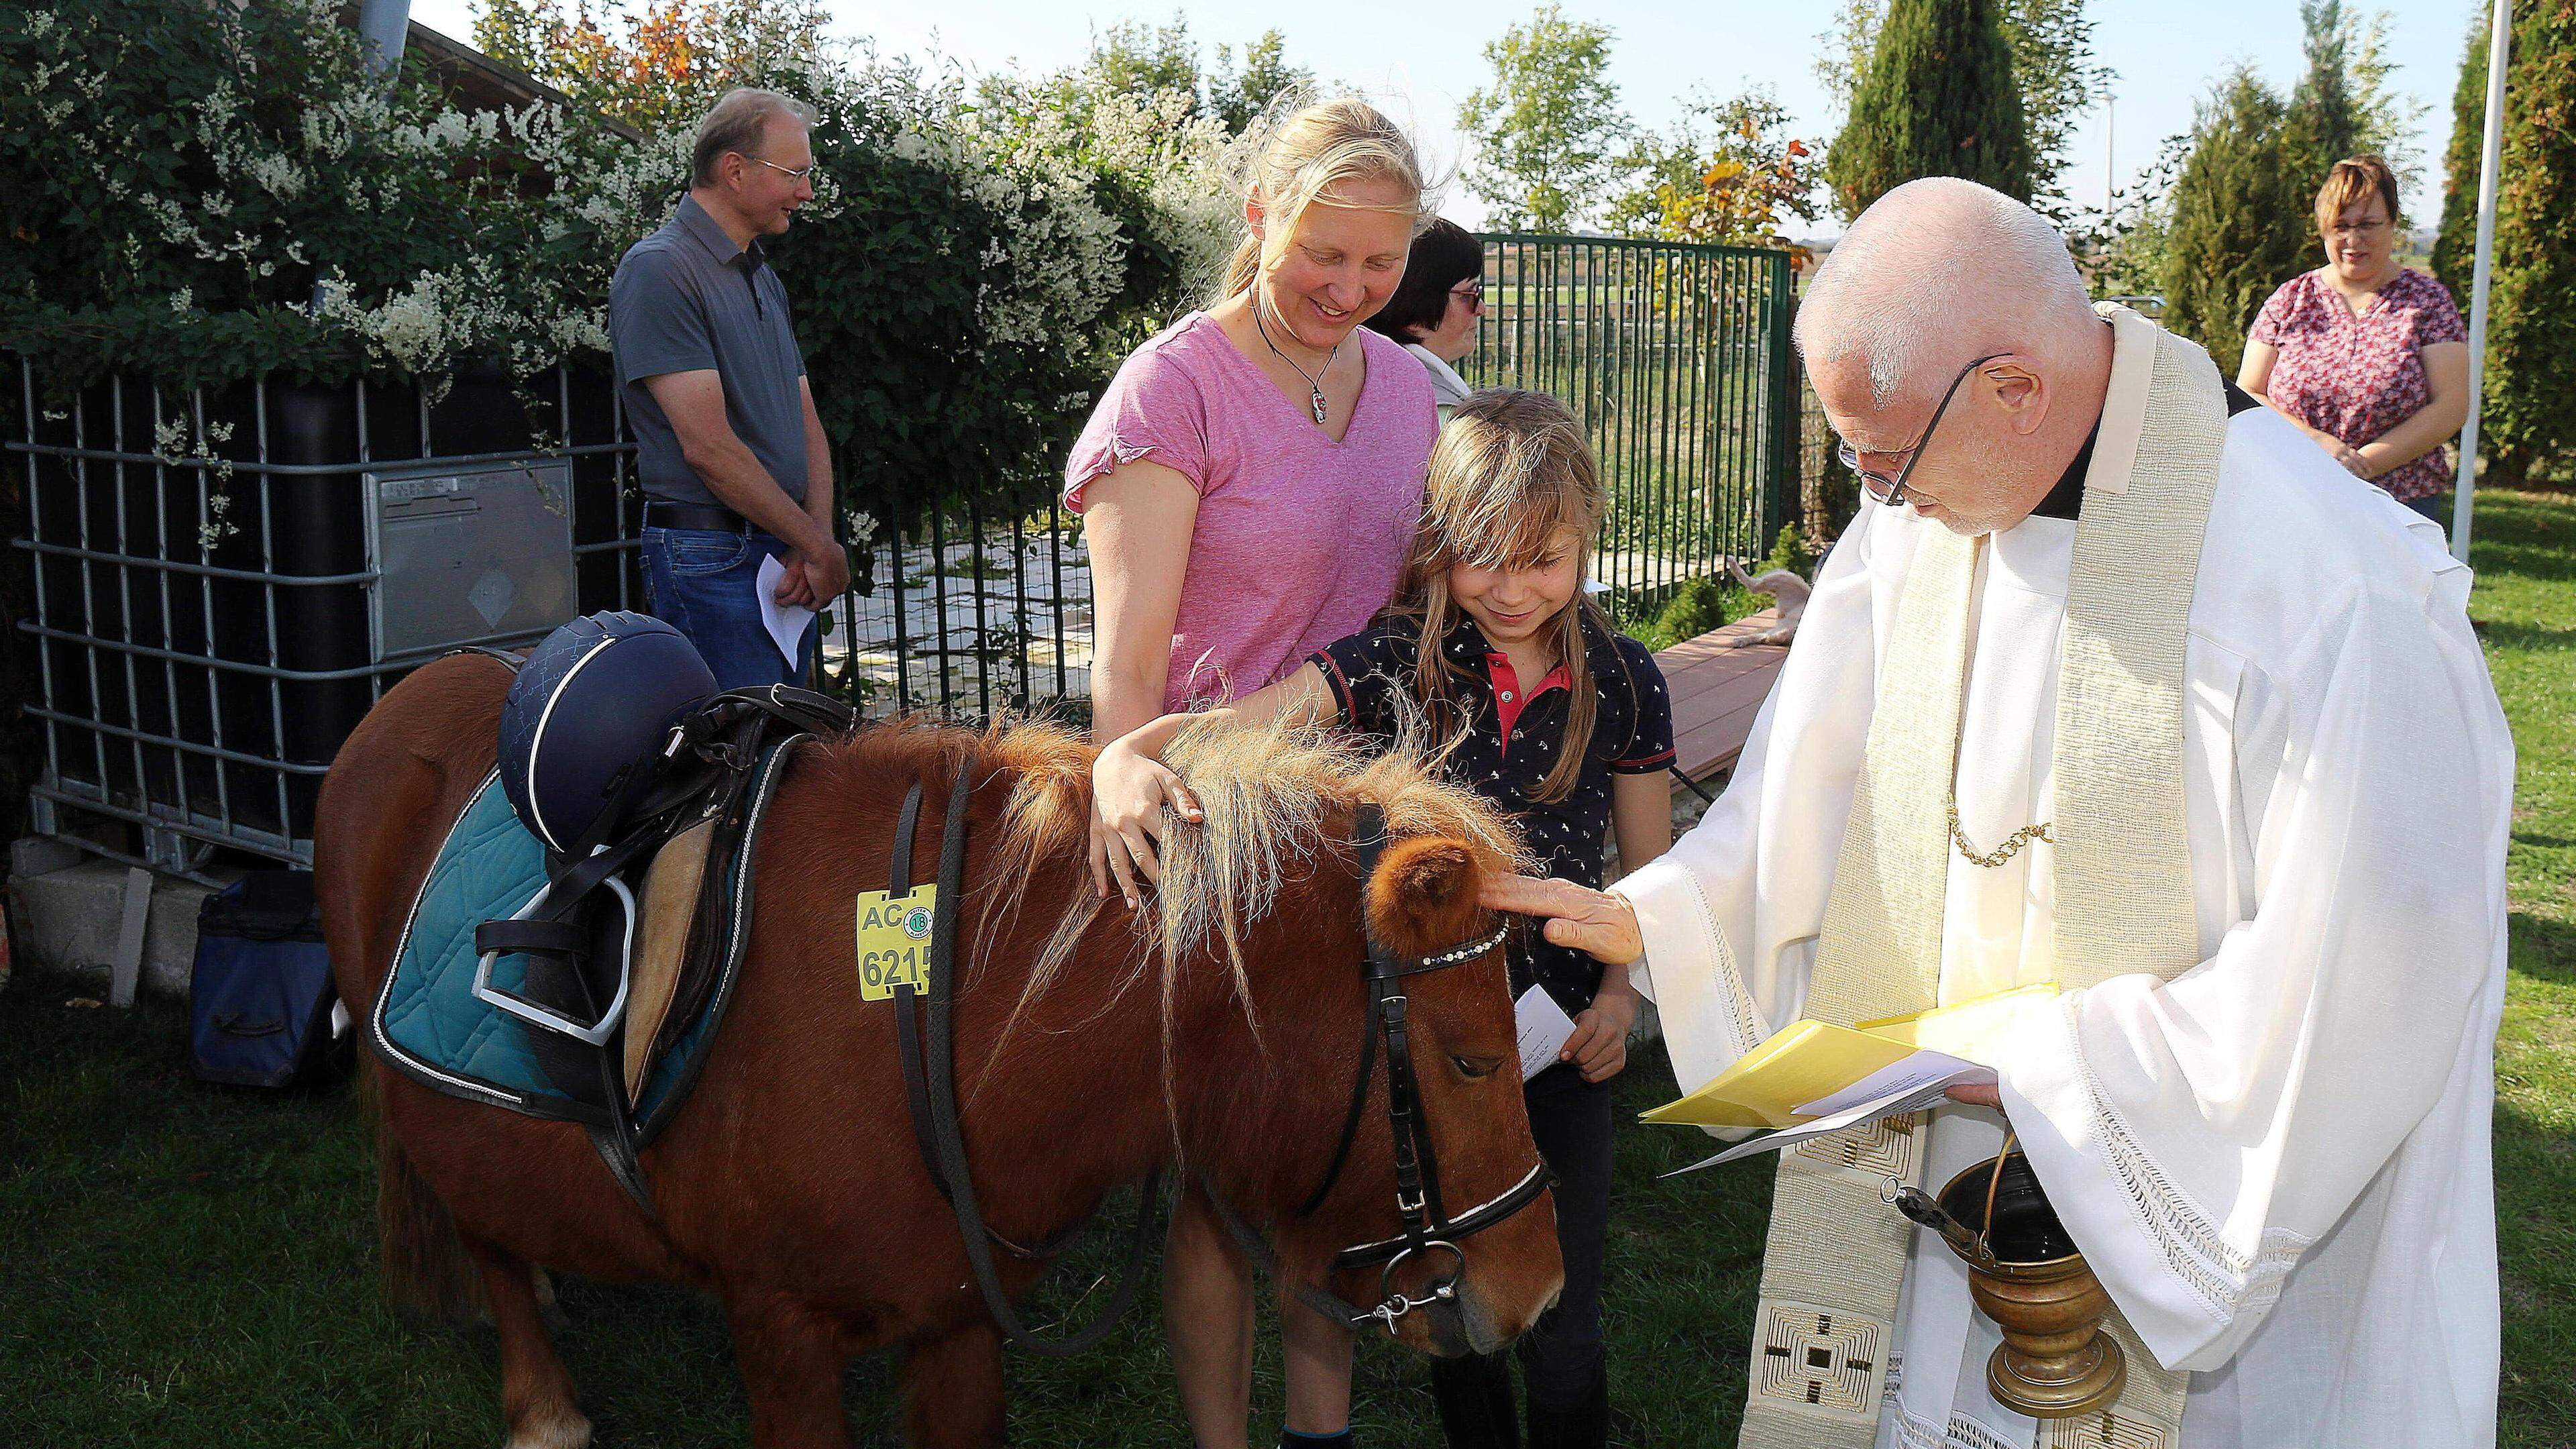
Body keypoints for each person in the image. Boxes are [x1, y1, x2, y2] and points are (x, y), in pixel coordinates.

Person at [1491, 177, 2509, 1449]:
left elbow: (2379, 972)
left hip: (2202, 1238)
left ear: (2015, 387)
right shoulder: (1924, 501)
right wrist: (1660, 915)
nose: (1880, 498)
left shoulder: (2327, 584)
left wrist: (2046, 1073)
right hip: (1954, 1186)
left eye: (1886, 457)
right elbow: (1816, 766)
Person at [1093, 388, 1673, 1449]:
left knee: (1565, 1332)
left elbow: (1650, 877)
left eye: (1544, 560)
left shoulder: (1627, 679)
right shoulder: (1388, 664)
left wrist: (1626, 993)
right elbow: (1236, 729)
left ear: (1587, 538)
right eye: (1483, 558)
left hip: (1562, 1044)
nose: (1512, 590)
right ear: (1439, 545)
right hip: (1424, 1059)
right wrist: (1130, 755)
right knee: (1454, 1306)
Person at [1063, 95, 1440, 1449]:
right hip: (1219, 821)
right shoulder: (1172, 390)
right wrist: (1117, 775)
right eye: (1321, 256)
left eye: (1380, 264)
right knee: (1226, 1183)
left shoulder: (1407, 388)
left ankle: (1318, 1435)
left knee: (1339, 1159)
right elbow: (1129, 660)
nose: (1350, 290)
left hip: (1367, 821)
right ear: (1257, 220)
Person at [610, 87, 849, 689]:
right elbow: (708, 448)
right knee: (740, 768)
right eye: (794, 173)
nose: (807, 192)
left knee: (789, 761)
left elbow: (806, 421)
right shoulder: (659, 269)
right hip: (710, 557)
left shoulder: (761, 275)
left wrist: (810, 541)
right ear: (734, 171)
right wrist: (816, 546)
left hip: (777, 556)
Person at [2241, 154, 2471, 525]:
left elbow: (2451, 405)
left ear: (2393, 223)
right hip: (2293, 495)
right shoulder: (2290, 299)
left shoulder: (2427, 301)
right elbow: (2250, 392)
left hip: (2400, 503)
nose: (2353, 239)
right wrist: (2317, 446)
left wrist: (2360, 466)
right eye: (2340, 226)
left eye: (2367, 224)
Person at [1362, 217, 1485, 421]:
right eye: (1469, 295)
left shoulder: (1366, 381)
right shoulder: (1439, 412)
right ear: (1415, 309)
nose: (1482, 309)